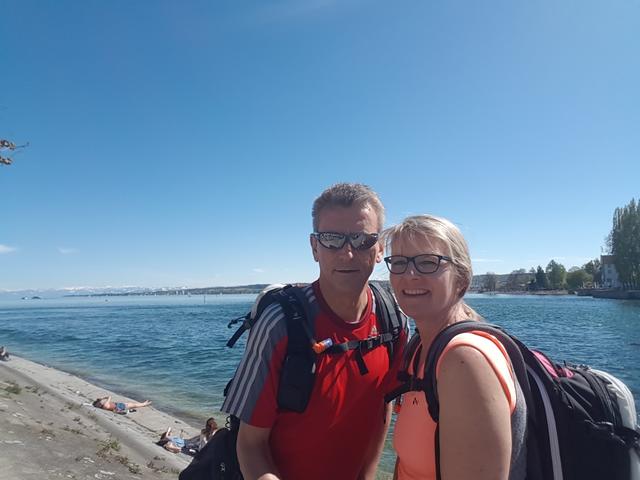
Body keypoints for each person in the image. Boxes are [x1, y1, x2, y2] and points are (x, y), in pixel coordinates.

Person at [222, 183, 407, 480]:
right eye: (332, 239)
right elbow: (250, 444)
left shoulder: (392, 318)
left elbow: (381, 409)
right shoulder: (281, 323)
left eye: (361, 239)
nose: (347, 253)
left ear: (379, 249)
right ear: (314, 248)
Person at [383, 215, 526, 480]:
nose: (409, 275)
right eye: (400, 263)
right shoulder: (421, 349)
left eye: (428, 262)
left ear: (461, 278)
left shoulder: (464, 361)